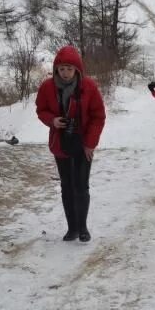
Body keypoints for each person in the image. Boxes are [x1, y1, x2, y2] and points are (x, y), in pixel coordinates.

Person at [35, 46, 106, 243]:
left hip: (83, 143)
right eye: (62, 68)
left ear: (77, 70)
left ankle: (83, 228)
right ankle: (72, 228)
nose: (65, 73)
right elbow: (41, 110)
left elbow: (98, 117)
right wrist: (52, 120)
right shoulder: (47, 87)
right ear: (56, 68)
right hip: (61, 143)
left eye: (69, 69)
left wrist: (90, 144)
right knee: (66, 185)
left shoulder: (88, 87)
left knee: (81, 185)